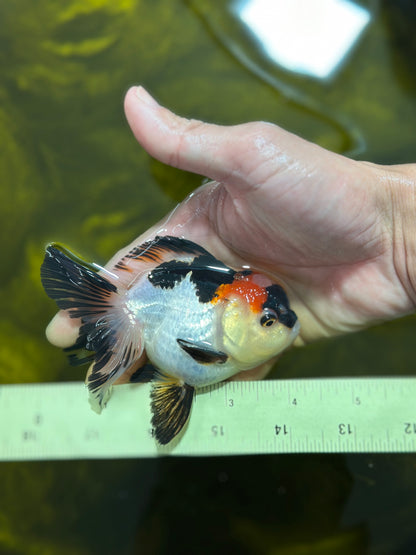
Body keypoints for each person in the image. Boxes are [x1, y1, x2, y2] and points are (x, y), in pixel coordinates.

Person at [46, 85, 416, 380]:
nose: (281, 325)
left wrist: (396, 225)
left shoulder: (227, 343)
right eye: (266, 322)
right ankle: (101, 310)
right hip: (153, 295)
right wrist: (394, 227)